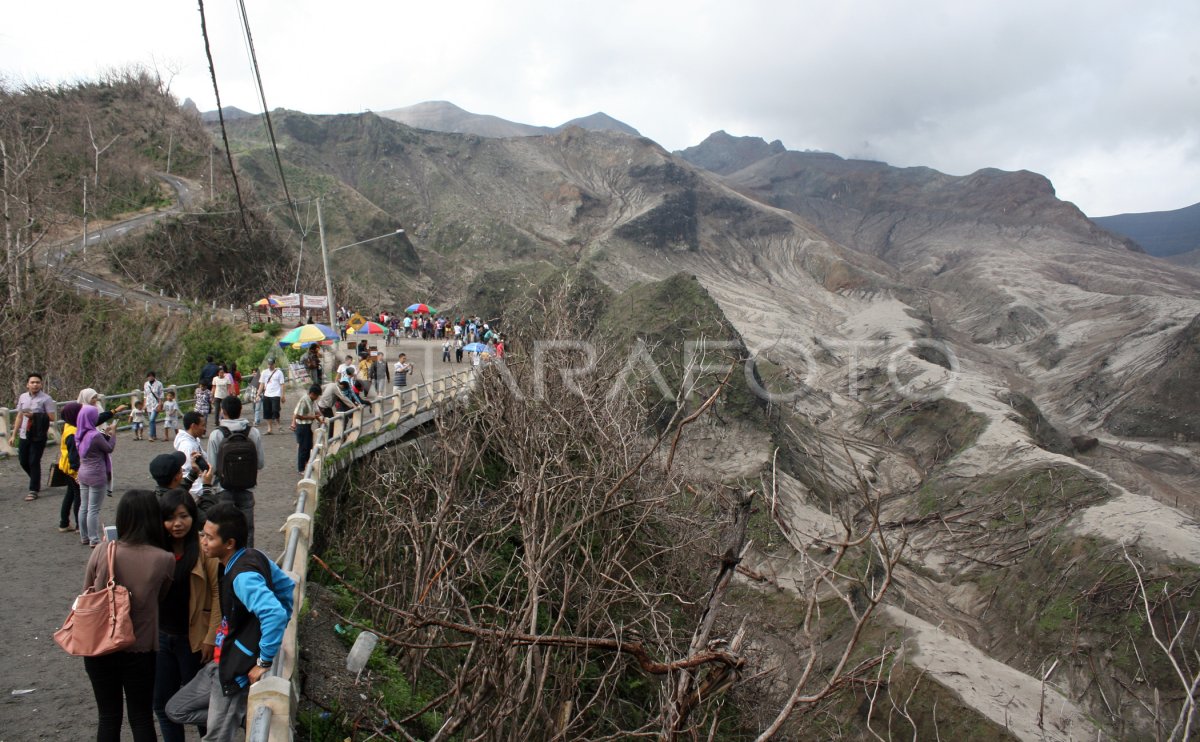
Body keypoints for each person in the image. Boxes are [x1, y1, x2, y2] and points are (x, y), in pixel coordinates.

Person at [165, 504, 295, 741]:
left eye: (210, 538)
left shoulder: (242, 577)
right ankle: (240, 713)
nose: (203, 542)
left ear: (229, 543)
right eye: (203, 534)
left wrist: (264, 658)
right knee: (175, 709)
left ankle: (231, 713)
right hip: (221, 661)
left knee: (215, 738)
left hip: (235, 671)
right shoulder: (253, 556)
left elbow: (274, 613)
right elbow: (286, 586)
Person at [81, 489, 174, 742]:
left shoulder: (103, 550)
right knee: (141, 717)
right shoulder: (164, 559)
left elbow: (87, 591)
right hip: (140, 647)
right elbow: (161, 597)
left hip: (99, 645)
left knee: (108, 717)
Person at [154, 488, 221, 742]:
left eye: (183, 516)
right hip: (162, 637)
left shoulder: (203, 549)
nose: (177, 523)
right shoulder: (158, 549)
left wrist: (210, 636)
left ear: (193, 517)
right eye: (170, 518)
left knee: (200, 702)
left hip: (194, 639)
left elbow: (217, 593)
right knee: (162, 703)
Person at [206, 396, 264, 547]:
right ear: (241, 410)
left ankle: (226, 564)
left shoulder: (216, 434)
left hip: (223, 488)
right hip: (247, 487)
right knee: (247, 529)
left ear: (223, 411)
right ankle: (247, 559)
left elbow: (211, 466)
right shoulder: (253, 433)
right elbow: (260, 463)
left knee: (226, 531)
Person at [10, 372, 55, 501]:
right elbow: (19, 416)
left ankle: (33, 489)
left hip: (38, 435)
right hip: (24, 434)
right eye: (32, 382)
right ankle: (36, 480)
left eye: (37, 382)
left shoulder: (46, 399)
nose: (35, 385)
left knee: (34, 461)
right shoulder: (23, 397)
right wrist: (13, 434)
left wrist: (34, 416)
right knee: (23, 461)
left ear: (41, 384)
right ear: (27, 385)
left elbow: (52, 417)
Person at [77, 404, 117, 547]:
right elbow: (109, 448)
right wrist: (112, 433)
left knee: (84, 506)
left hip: (83, 472)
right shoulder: (94, 435)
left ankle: (84, 536)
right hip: (96, 473)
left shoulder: (80, 433)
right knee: (93, 508)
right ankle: (94, 539)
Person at [56, 402, 83, 533]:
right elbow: (74, 456)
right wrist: (77, 473)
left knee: (70, 494)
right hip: (72, 469)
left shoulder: (68, 425)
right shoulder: (73, 432)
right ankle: (79, 525)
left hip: (64, 466)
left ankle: (64, 523)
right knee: (78, 495)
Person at [174, 411, 208, 502]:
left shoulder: (194, 440)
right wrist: (204, 489)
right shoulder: (188, 446)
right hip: (195, 492)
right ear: (193, 426)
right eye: (203, 425)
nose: (204, 429)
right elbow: (186, 472)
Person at [291, 384, 323, 474]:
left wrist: (319, 420)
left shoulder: (311, 401)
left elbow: (315, 413)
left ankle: (307, 465)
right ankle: (301, 468)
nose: (317, 398)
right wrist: (310, 417)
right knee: (303, 448)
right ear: (312, 394)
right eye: (317, 396)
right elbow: (297, 415)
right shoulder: (304, 400)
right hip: (302, 426)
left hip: (307, 426)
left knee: (309, 446)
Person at [257, 357, 286, 435]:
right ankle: (269, 429)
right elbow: (262, 384)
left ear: (274, 364)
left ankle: (278, 424)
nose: (270, 366)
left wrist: (283, 395)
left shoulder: (279, 372)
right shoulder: (264, 372)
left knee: (275, 410)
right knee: (267, 412)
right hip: (267, 394)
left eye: (271, 364)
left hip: (276, 394)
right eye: (269, 364)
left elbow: (282, 384)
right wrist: (258, 394)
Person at [144, 371, 166, 442]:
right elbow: (145, 395)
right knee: (152, 421)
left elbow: (161, 395)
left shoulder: (159, 384)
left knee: (151, 420)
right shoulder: (146, 384)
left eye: (151, 376)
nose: (150, 377)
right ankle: (154, 435)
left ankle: (151, 435)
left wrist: (160, 404)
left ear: (154, 376)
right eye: (149, 376)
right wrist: (144, 405)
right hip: (149, 404)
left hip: (156, 404)